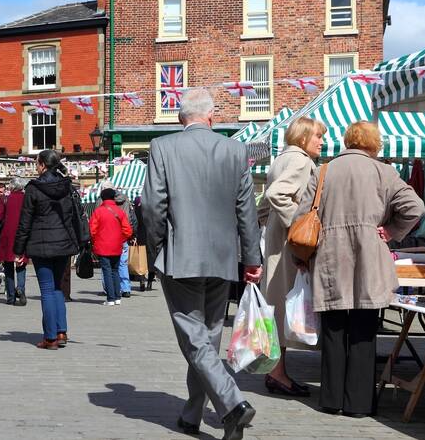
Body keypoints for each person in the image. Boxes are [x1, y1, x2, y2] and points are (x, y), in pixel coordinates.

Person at [141, 89, 262, 440]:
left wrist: (158, 248)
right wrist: (251, 258)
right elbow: (246, 211)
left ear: (183, 119)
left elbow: (152, 207)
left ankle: (232, 403)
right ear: (211, 117)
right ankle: (193, 415)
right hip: (223, 258)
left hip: (181, 256)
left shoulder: (163, 147)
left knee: (194, 339)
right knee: (206, 337)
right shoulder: (235, 149)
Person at [295, 121, 424, 417]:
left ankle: (330, 399)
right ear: (374, 143)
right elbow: (415, 207)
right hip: (369, 257)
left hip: (329, 255)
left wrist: (299, 257)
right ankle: (358, 404)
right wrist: (391, 231)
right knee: (364, 330)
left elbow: (301, 215)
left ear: (347, 141)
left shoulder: (324, 170)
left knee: (334, 328)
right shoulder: (384, 172)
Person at [257, 116, 326, 397]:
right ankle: (277, 373)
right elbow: (277, 194)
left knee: (277, 306)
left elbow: (264, 202)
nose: (322, 141)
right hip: (288, 243)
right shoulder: (301, 161)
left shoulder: (282, 158)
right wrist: (295, 226)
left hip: (277, 239)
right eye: (318, 136)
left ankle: (277, 370)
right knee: (284, 307)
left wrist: (268, 223)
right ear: (303, 138)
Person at [14, 149, 79, 350]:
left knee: (47, 290)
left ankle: (50, 337)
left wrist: (18, 250)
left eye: (36, 162)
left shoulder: (33, 188)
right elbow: (73, 215)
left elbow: (25, 221)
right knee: (58, 288)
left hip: (41, 244)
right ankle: (61, 331)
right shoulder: (67, 186)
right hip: (63, 243)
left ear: (42, 164)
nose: (35, 166)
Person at [90, 187, 133, 305]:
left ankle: (110, 298)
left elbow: (92, 230)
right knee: (115, 270)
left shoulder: (98, 211)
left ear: (102, 198)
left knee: (107, 271)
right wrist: (121, 238)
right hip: (117, 245)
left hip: (103, 245)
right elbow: (128, 230)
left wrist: (95, 241)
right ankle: (118, 297)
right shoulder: (119, 211)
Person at [0, 178, 28, 305]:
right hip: (22, 233)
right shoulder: (26, 198)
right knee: (21, 264)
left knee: (8, 265)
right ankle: (21, 288)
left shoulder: (6, 199)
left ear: (12, 187)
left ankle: (11, 296)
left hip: (8, 235)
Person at [133, 195, 156, 292]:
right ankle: (150, 282)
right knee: (151, 260)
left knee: (141, 260)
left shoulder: (136, 209)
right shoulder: (152, 208)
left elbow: (134, 222)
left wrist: (134, 235)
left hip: (140, 236)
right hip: (152, 237)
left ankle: (142, 280)